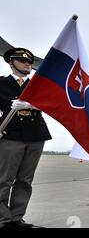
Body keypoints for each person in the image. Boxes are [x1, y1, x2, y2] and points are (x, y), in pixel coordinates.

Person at [0, 48, 52, 228]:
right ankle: (3, 220)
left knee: (25, 180)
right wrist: (9, 104)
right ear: (11, 63)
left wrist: (32, 105)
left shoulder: (38, 85)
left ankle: (16, 218)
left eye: (30, 62)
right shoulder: (2, 83)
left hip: (36, 135)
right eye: (23, 61)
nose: (28, 64)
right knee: (4, 180)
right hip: (11, 135)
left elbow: (52, 103)